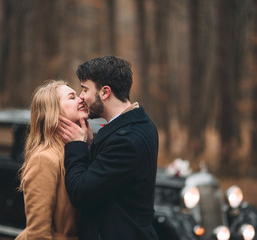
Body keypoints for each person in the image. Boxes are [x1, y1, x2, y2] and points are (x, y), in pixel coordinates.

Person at [58, 56, 159, 240]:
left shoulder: (126, 140)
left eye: (85, 89)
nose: (81, 97)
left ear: (105, 92)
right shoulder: (141, 124)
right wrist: (89, 147)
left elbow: (81, 193)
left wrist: (77, 146)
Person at [17, 80, 89, 240]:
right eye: (72, 97)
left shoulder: (73, 152)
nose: (81, 99)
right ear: (54, 113)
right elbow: (38, 234)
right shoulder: (44, 159)